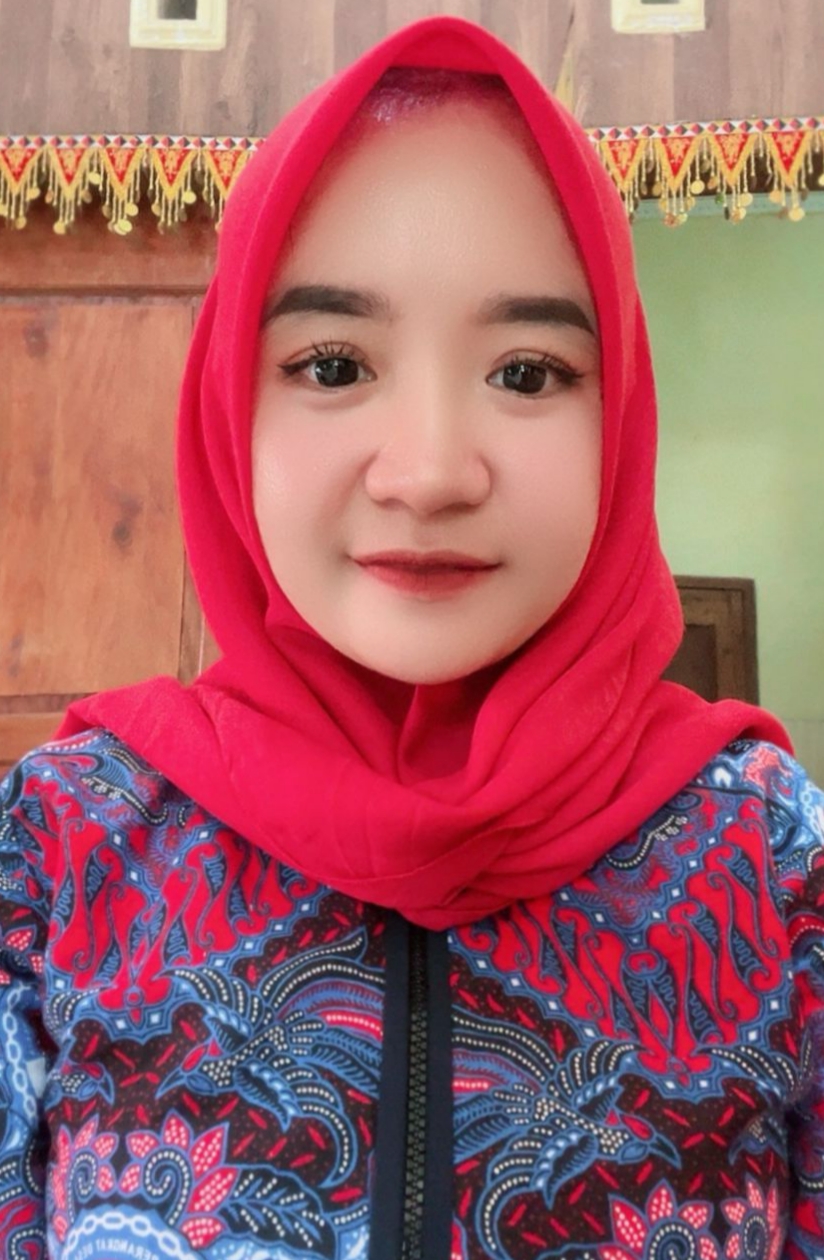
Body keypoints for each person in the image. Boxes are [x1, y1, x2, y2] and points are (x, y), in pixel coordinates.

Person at [1, 14, 822, 1260]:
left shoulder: (770, 863)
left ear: (620, 415)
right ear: (227, 407)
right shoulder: (61, 851)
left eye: (528, 372)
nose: (430, 472)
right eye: (332, 365)